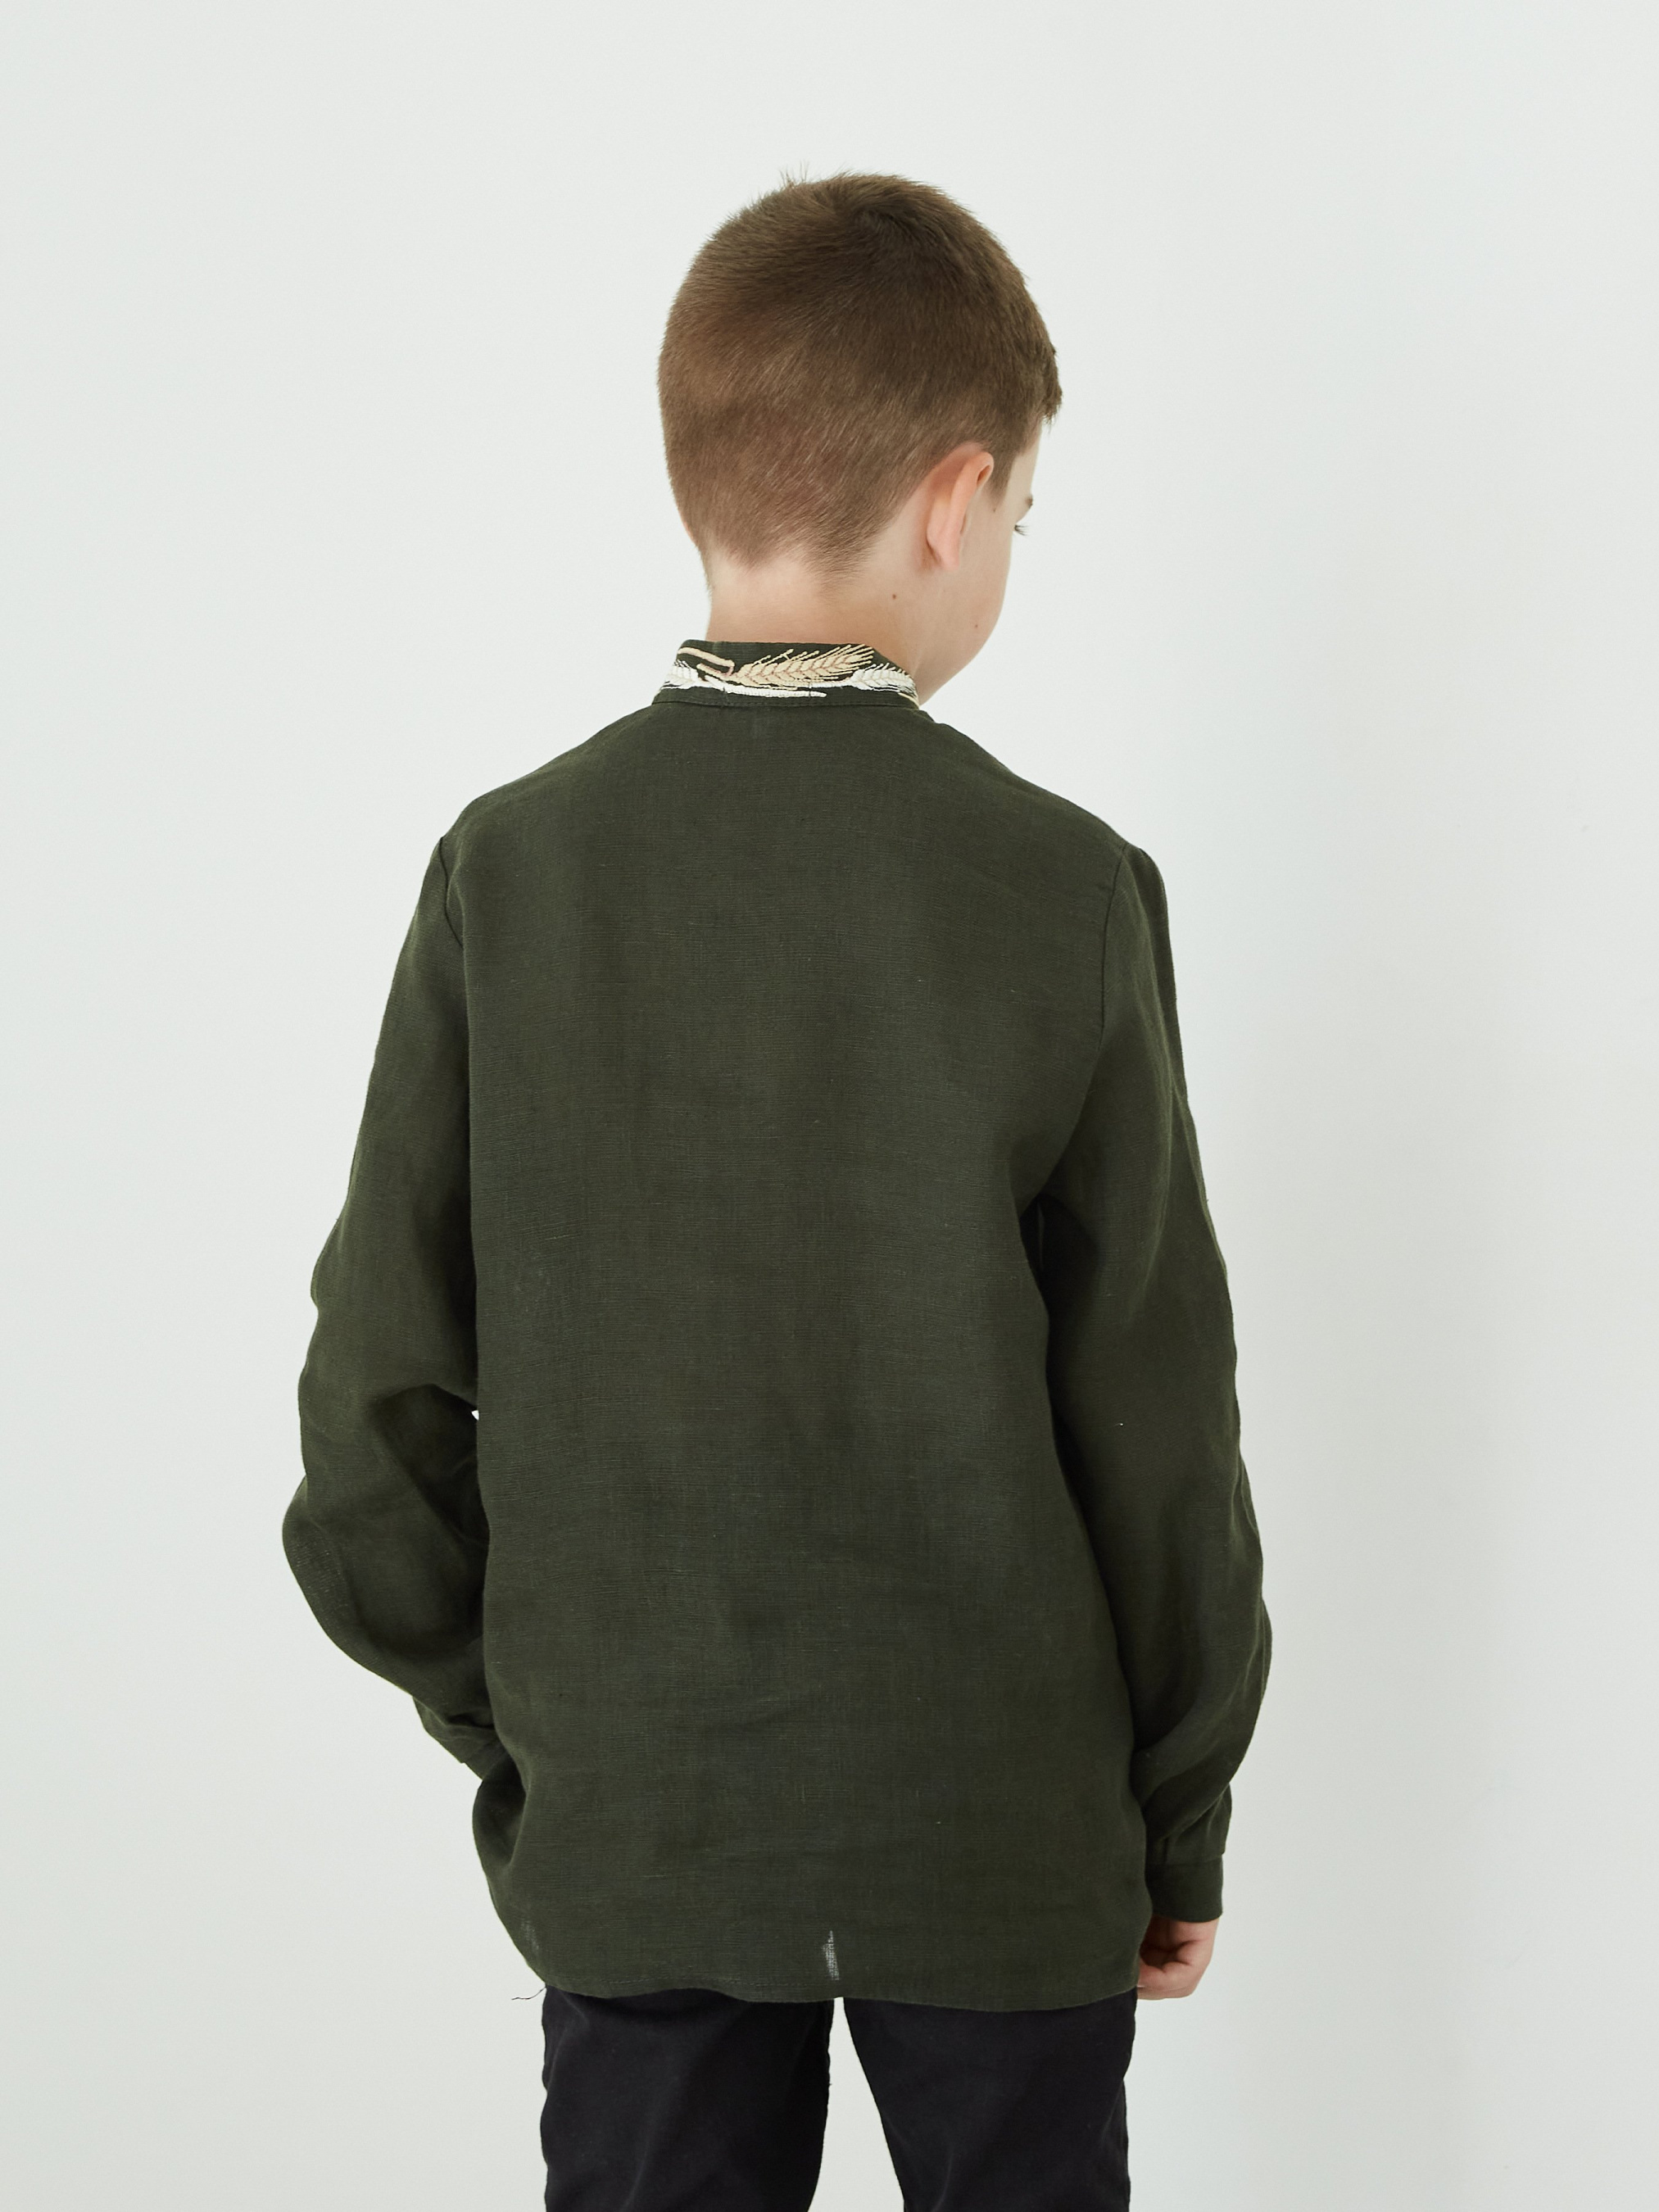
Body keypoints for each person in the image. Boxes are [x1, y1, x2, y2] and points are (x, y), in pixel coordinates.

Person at [283, 170, 1271, 2211]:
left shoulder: (507, 875)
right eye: (1021, 518)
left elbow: (370, 1434)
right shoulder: (1063, 892)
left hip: (639, 1830)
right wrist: (1175, 1816)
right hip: (997, 1837)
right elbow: (1159, 1432)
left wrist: (547, 1739)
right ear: (952, 499)